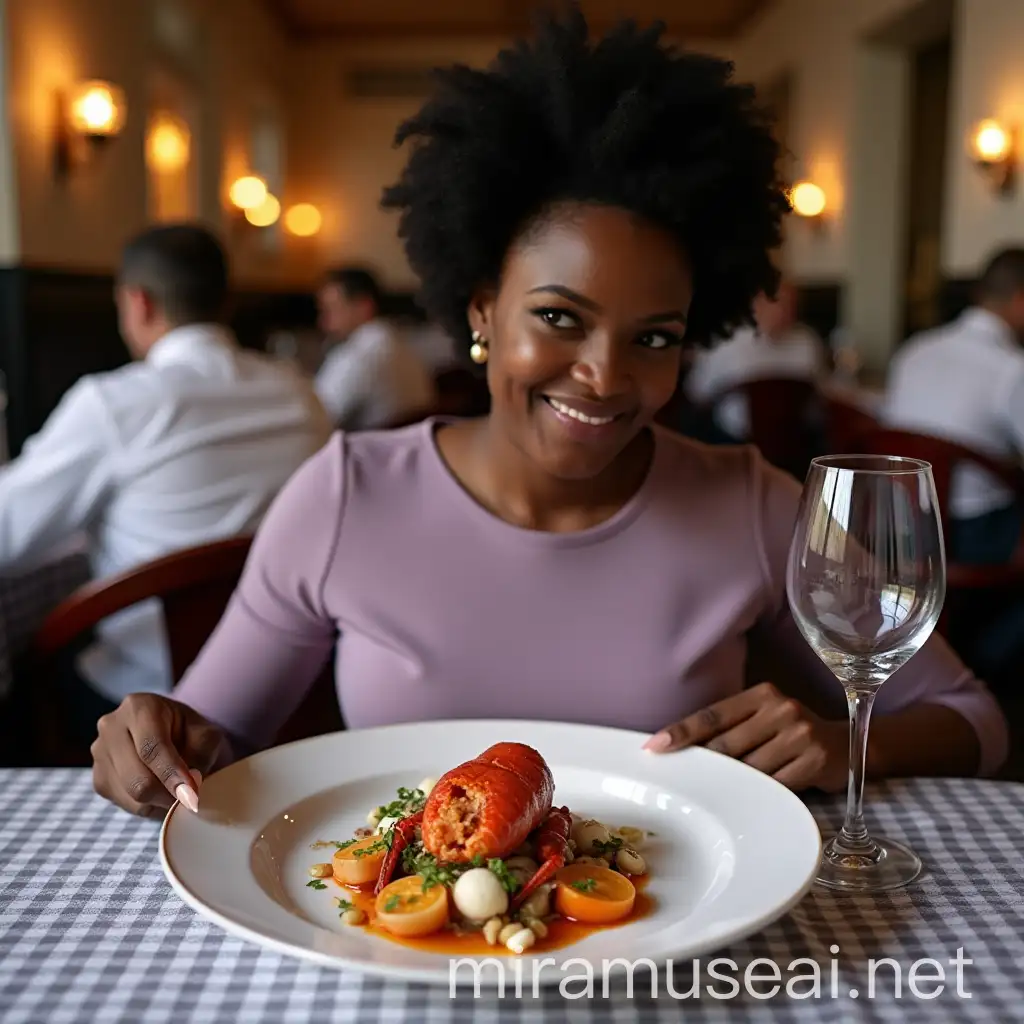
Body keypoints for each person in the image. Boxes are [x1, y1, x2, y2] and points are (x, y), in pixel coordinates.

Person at [89, 11, 1007, 818]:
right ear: (482, 307)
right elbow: (202, 742)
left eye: (655, 337)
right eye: (560, 318)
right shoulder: (344, 496)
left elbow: (976, 721)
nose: (606, 377)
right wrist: (147, 742)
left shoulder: (757, 507)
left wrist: (848, 742)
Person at [0, 223, 332, 742]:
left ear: (138, 302)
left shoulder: (115, 402)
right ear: (226, 302)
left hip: (149, 700)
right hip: (292, 689)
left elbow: (7, 536)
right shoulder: (298, 391)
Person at [883, 247, 1024, 683]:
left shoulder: (915, 349)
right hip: (970, 535)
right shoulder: (1011, 368)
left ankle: (944, 655)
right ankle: (983, 666)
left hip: (898, 527)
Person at [683, 280, 826, 441]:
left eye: (791, 305)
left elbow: (819, 397)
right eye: (777, 303)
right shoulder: (726, 340)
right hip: (730, 440)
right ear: (757, 305)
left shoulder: (808, 342)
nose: (784, 312)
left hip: (793, 443)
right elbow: (698, 392)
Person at [314, 267, 437, 429]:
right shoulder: (404, 346)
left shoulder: (355, 358)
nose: (324, 322)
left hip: (370, 451)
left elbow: (315, 421)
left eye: (332, 310)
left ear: (365, 306)